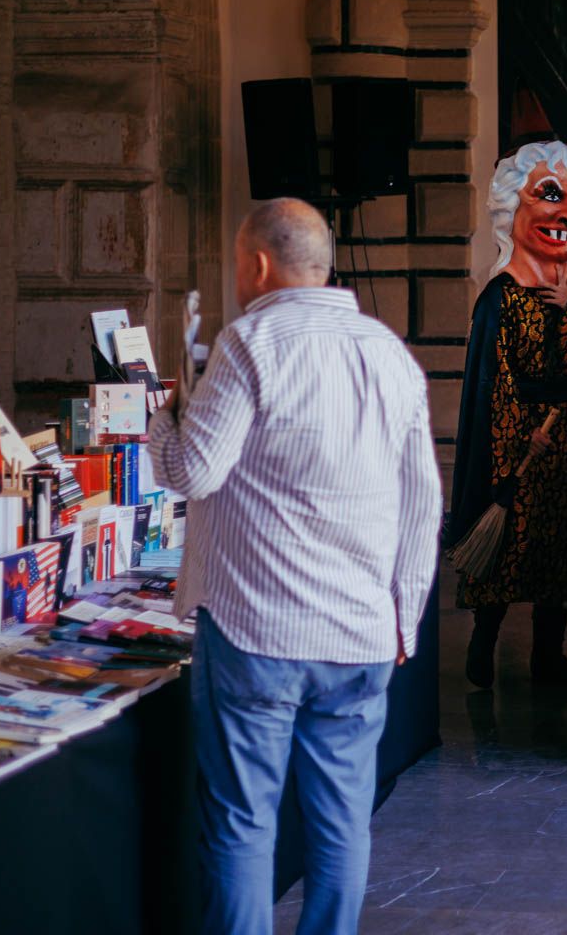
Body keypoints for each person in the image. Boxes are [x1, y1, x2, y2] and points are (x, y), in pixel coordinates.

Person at [148, 197, 443, 935]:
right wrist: (403, 618)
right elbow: (420, 505)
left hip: (258, 634)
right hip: (362, 637)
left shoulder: (249, 344)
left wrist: (163, 417)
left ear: (256, 264)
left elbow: (196, 473)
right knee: (342, 825)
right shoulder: (389, 354)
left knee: (244, 823)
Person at [449, 141, 567, 691]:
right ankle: (484, 643)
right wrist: (518, 442)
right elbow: (493, 382)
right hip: (517, 451)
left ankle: (549, 658)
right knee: (506, 551)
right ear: (512, 210)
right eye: (552, 196)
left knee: (559, 556)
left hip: (566, 450)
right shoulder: (500, 298)